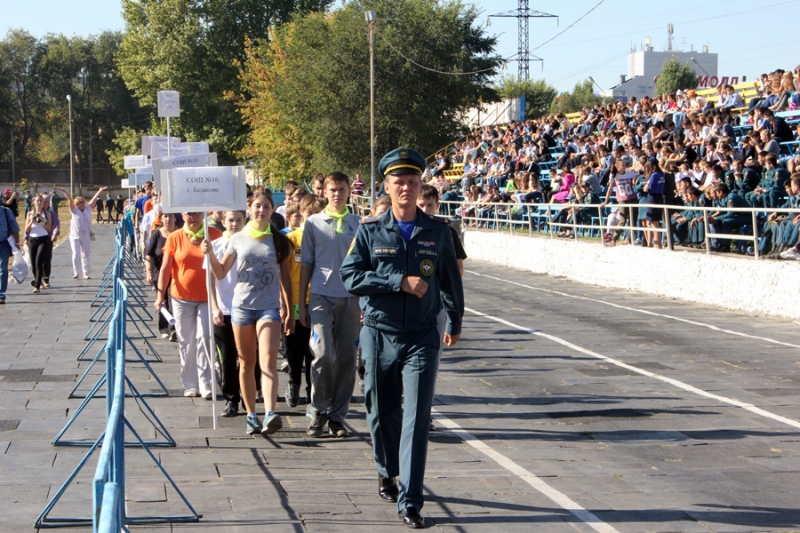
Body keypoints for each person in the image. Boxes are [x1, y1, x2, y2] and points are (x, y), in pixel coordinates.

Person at [340, 147, 464, 529]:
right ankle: (386, 469)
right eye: (399, 182)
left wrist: (454, 321)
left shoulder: (439, 232)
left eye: (412, 181)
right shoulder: (369, 231)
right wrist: (397, 282)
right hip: (379, 334)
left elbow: (450, 280)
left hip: (422, 337)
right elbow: (350, 276)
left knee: (416, 417)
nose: (406, 188)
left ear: (420, 185)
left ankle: (411, 500)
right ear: (387, 187)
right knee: (381, 412)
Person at [203, 192, 294, 436]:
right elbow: (221, 273)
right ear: (249, 209)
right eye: (257, 206)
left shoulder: (279, 241)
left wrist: (290, 309)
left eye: (266, 206)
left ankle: (271, 412)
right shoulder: (237, 239)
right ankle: (251, 415)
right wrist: (210, 253)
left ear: (272, 210)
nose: (261, 210)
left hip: (268, 308)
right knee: (246, 362)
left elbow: (286, 279)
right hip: (241, 308)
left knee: (267, 360)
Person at [299, 172, 362, 438]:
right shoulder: (314, 223)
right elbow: (306, 264)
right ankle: (318, 408)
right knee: (324, 355)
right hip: (321, 296)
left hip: (351, 298)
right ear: (324, 192)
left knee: (347, 359)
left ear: (349, 191)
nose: (336, 194)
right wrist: (301, 302)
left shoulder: (360, 223)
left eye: (341, 189)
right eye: (332, 189)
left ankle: (338, 415)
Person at [155, 211, 222, 400]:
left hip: (208, 297)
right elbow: (166, 269)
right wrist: (160, 295)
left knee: (205, 337)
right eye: (188, 214)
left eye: (196, 214)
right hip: (181, 297)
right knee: (186, 340)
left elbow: (223, 264)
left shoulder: (214, 234)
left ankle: (206, 382)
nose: (192, 217)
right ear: (182, 216)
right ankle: (190, 383)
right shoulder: (175, 237)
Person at [284, 195, 325, 407]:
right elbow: (285, 273)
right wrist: (285, 303)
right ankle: (293, 381)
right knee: (294, 346)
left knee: (314, 350)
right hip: (296, 301)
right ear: (301, 215)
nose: (312, 218)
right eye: (308, 214)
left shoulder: (325, 238)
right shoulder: (291, 240)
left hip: (318, 299)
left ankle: (312, 390)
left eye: (316, 214)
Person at [208, 210, 247, 417]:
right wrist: (215, 307)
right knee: (227, 357)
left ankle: (252, 392)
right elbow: (211, 281)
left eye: (239, 220)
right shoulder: (215, 246)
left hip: (247, 307)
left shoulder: (249, 244)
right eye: (230, 220)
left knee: (248, 356)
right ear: (223, 221)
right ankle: (231, 399)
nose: (234, 223)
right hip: (224, 308)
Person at [56, 186, 107, 279]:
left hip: (86, 235)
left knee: (86, 254)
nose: (83, 203)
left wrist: (100, 190)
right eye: (80, 202)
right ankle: (76, 272)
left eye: (83, 201)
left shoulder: (88, 208)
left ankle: (86, 273)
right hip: (75, 236)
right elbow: (69, 201)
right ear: (77, 204)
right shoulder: (74, 211)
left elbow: (94, 199)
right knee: (76, 254)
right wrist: (64, 191)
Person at [146, 211, 177, 339]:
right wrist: (148, 272)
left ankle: (174, 328)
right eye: (165, 216)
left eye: (170, 216)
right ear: (161, 219)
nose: (168, 219)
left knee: (173, 299)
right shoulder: (157, 234)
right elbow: (149, 254)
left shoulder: (179, 233)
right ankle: (164, 327)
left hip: (176, 272)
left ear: (175, 218)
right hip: (159, 272)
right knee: (162, 299)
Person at [24, 195, 53, 294]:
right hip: (33, 239)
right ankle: (38, 279)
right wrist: (32, 220)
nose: (39, 203)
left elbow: (49, 229)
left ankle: (36, 286)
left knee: (38, 261)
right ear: (33, 202)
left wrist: (43, 221)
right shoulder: (29, 213)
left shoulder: (47, 213)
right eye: (37, 201)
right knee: (33, 264)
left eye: (41, 201)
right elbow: (26, 229)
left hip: (43, 239)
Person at [0, 200, 21, 304]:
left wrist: (17, 245)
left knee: (2, 268)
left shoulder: (6, 212)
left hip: (3, 244)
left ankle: (1, 294)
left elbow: (15, 230)